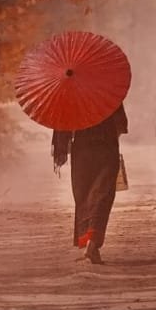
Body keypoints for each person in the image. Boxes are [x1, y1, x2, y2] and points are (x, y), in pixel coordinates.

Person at [51, 102, 127, 264]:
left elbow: (62, 122)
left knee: (84, 197)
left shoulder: (73, 94)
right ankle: (92, 244)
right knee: (102, 196)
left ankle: (89, 243)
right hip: (107, 147)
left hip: (82, 149)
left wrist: (61, 149)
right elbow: (121, 125)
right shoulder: (108, 92)